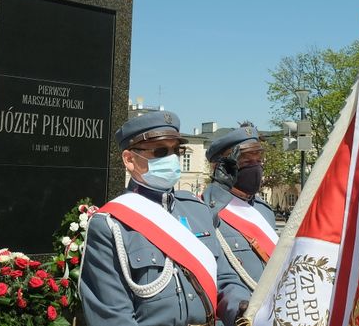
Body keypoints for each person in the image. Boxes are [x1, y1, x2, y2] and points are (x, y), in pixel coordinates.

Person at [80, 111, 250, 326]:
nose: (171, 158)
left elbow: (224, 280)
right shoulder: (110, 224)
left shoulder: (197, 210)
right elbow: (112, 316)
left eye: (175, 151)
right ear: (130, 159)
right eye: (160, 151)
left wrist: (241, 307)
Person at [202, 124, 277, 291]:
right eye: (246, 161)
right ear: (220, 167)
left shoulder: (264, 210)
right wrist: (219, 188)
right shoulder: (207, 208)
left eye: (258, 161)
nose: (256, 167)